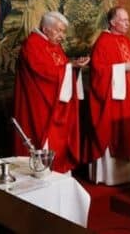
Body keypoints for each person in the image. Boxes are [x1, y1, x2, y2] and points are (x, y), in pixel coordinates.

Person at [13, 11, 89, 173]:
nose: (62, 36)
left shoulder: (53, 45)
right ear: (45, 28)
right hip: (40, 106)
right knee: (42, 142)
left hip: (57, 105)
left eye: (63, 31)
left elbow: (60, 68)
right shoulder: (32, 44)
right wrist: (71, 67)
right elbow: (45, 74)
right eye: (59, 30)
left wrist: (73, 67)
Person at [89, 6, 130, 185]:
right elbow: (98, 72)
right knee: (115, 131)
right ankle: (112, 176)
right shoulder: (103, 42)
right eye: (124, 20)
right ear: (113, 22)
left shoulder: (127, 41)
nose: (128, 23)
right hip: (114, 100)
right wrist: (124, 68)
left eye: (128, 20)